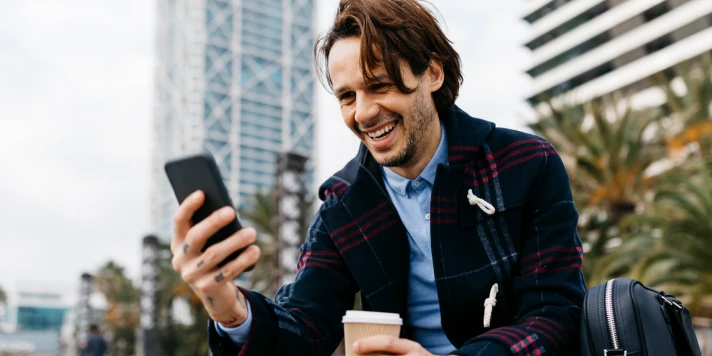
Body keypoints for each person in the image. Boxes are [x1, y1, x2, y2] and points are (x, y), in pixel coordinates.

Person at [169, 0, 586, 354]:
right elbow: (305, 324)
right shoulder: (344, 203)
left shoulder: (528, 163)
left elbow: (555, 315)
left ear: (433, 74)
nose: (364, 113)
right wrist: (229, 308)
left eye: (380, 85)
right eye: (347, 96)